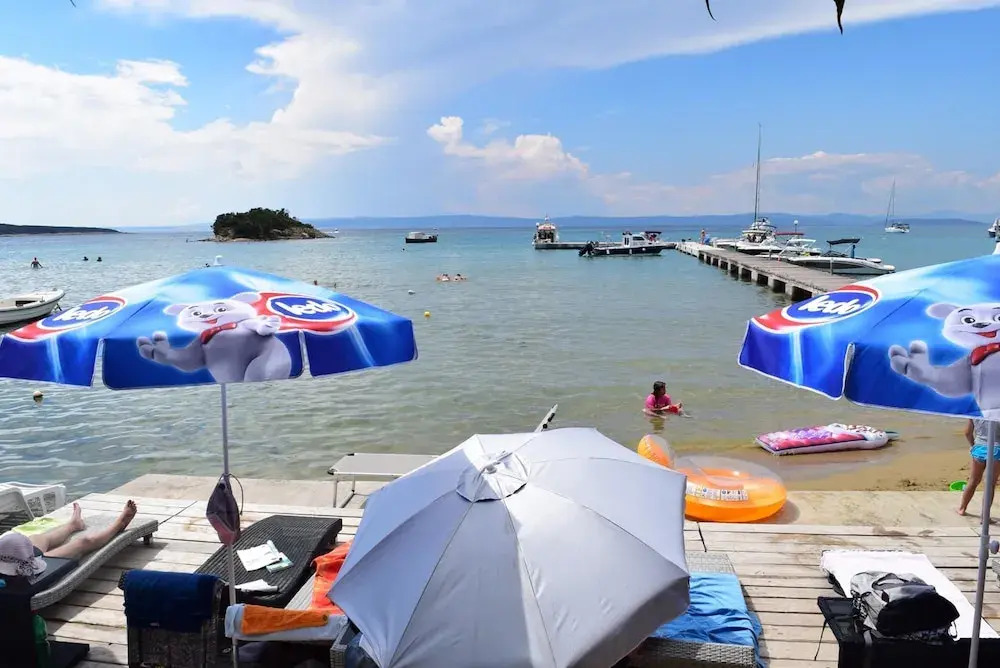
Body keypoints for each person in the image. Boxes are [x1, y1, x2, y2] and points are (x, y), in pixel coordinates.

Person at [28, 500, 137, 559]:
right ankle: (119, 525)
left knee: (37, 538)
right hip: (26, 570)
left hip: (20, 557)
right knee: (83, 542)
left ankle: (73, 524)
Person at [958, 419, 1000, 516]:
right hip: (996, 449)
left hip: (979, 448)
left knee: (973, 481)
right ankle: (985, 516)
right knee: (990, 484)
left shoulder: (976, 413)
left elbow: (967, 432)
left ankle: (962, 508)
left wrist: (973, 445)